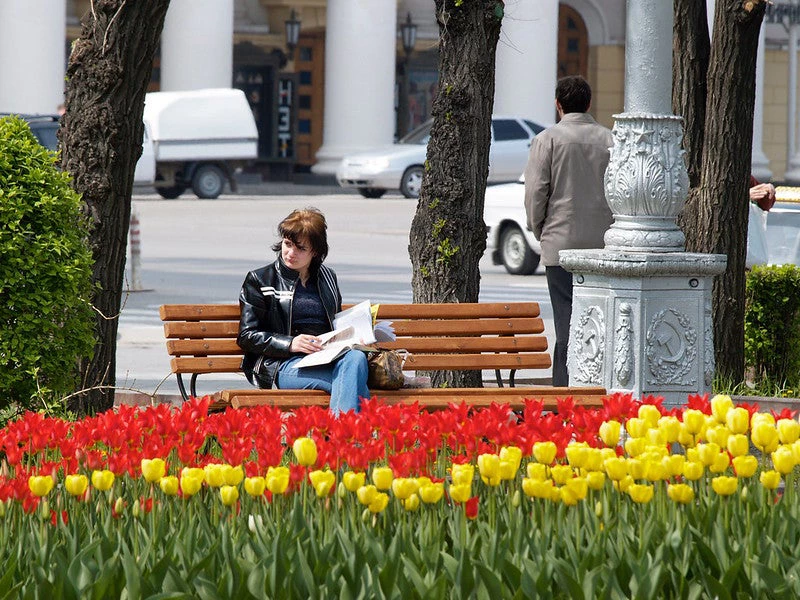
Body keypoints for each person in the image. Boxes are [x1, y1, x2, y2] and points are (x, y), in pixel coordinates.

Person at [524, 75, 614, 387]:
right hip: (604, 246)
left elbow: (536, 191)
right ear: (589, 104)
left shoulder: (546, 139)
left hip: (560, 244)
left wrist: (540, 229)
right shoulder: (610, 140)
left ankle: (564, 391)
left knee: (566, 322)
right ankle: (597, 387)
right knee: (600, 323)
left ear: (558, 105)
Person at [237, 208, 370, 414]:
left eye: (300, 248)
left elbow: (335, 325)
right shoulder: (260, 280)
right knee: (352, 382)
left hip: (326, 359)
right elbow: (247, 336)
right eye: (288, 244)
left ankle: (341, 440)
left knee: (355, 359)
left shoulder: (328, 278)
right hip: (281, 365)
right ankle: (346, 441)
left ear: (315, 251)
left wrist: (354, 339)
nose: (291, 253)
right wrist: (290, 343)